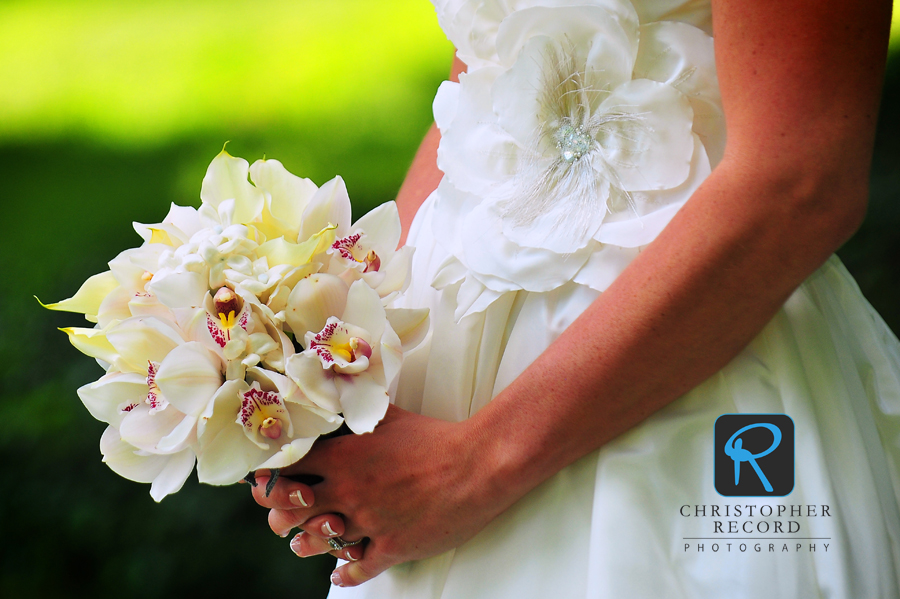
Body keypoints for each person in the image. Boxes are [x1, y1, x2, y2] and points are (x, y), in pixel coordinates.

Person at [252, 0, 900, 596]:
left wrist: (475, 465)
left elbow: (799, 182)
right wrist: (347, 337)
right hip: (450, 367)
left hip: (686, 361)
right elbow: (483, 75)